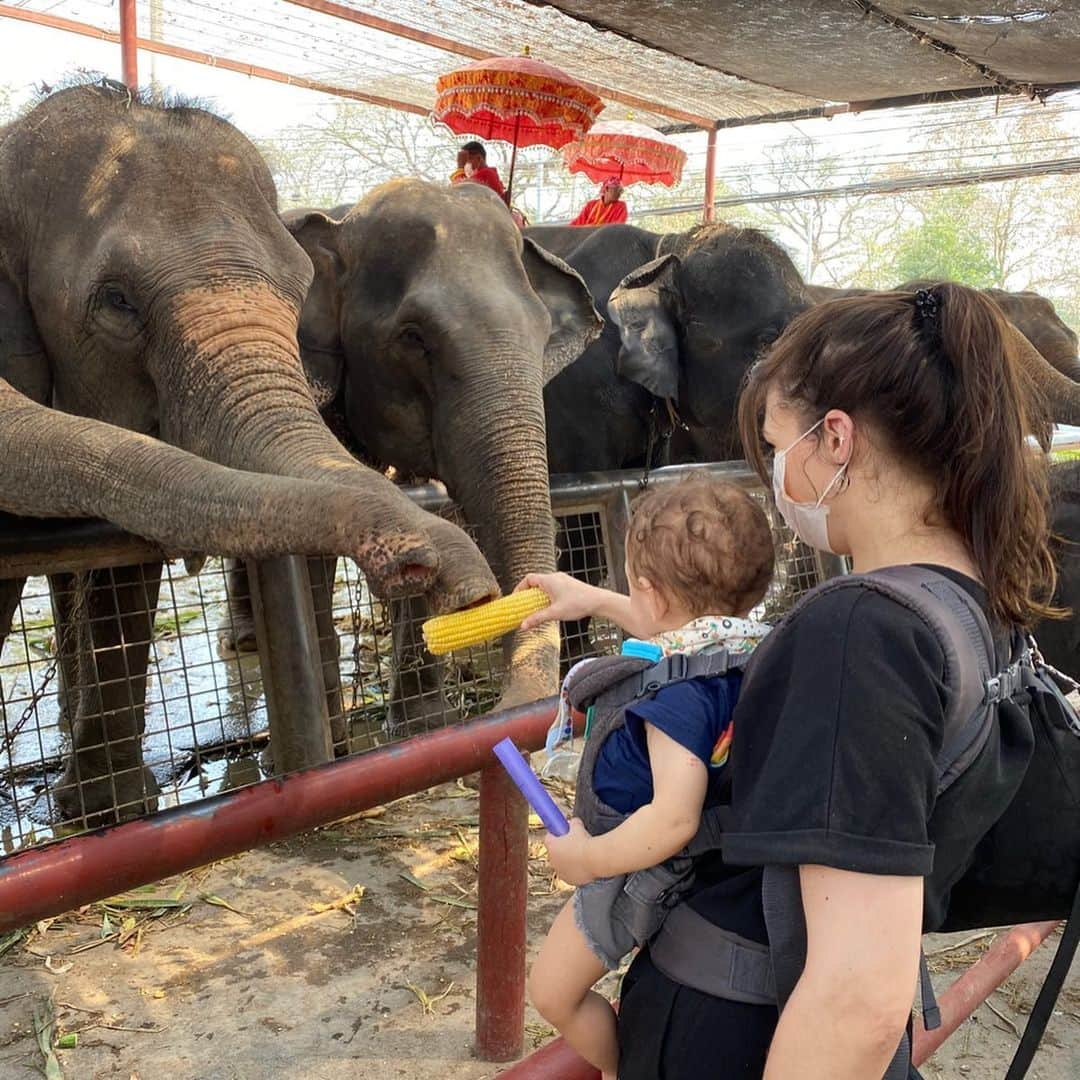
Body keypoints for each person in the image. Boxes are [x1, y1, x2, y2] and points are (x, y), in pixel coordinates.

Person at [585, 285, 1055, 1078]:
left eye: (776, 443)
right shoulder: (975, 604)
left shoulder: (861, 633)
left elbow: (856, 1001)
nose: (775, 471)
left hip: (739, 1031)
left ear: (834, 438)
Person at [517, 476, 775, 1080]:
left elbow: (674, 817)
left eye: (633, 584)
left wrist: (588, 860)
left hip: (641, 869)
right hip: (713, 859)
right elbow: (668, 623)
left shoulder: (676, 699)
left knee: (552, 992)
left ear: (653, 596)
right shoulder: (744, 646)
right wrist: (587, 596)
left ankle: (616, 1068)